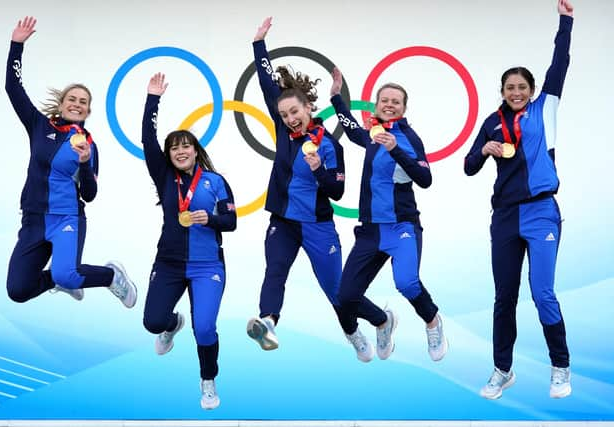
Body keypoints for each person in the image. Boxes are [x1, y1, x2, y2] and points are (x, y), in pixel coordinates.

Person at [246, 17, 395, 362]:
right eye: (283, 115)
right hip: (283, 221)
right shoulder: (284, 132)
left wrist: (319, 172)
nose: (289, 118)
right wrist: (258, 44)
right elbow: (269, 85)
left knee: (339, 294)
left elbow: (337, 192)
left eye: (294, 112)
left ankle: (380, 320)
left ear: (308, 108)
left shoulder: (329, 146)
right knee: (275, 270)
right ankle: (268, 321)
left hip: (317, 226)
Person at [464, 0, 574, 400]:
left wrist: (566, 22)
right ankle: (502, 370)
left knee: (542, 292)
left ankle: (560, 366)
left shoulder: (546, 108)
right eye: (509, 87)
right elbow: (468, 166)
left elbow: (559, 63)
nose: (516, 92)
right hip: (505, 217)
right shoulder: (492, 122)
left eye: (522, 87)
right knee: (504, 296)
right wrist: (485, 151)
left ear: (531, 90)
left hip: (542, 212)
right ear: (503, 92)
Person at [5, 16, 137, 309]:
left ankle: (110, 276)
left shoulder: (88, 144)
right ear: (62, 103)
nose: (77, 104)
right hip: (33, 219)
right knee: (18, 289)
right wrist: (17, 45)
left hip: (66, 218)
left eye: (83, 102)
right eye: (72, 99)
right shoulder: (40, 126)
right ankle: (58, 280)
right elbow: (13, 89)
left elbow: (89, 195)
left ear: (88, 111)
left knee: (69, 274)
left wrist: (86, 164)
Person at [329, 66, 448, 363]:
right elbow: (352, 128)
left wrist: (396, 150)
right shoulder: (373, 133)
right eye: (385, 100)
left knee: (407, 283)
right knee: (345, 297)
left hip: (401, 226)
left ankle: (433, 322)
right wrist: (336, 99)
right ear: (377, 105)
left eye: (396, 101)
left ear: (404, 108)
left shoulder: (408, 137)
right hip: (370, 231)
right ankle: (383, 321)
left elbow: (425, 179)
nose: (390, 104)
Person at [141, 73, 237, 410]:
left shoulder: (215, 181)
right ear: (169, 155)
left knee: (206, 328)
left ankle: (208, 379)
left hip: (207, 266)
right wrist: (152, 99)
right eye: (175, 147)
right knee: (153, 322)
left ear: (196, 151)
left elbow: (232, 222)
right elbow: (147, 141)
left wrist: (209, 218)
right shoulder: (164, 176)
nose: (180, 151)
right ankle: (172, 323)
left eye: (186, 145)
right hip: (168, 264)